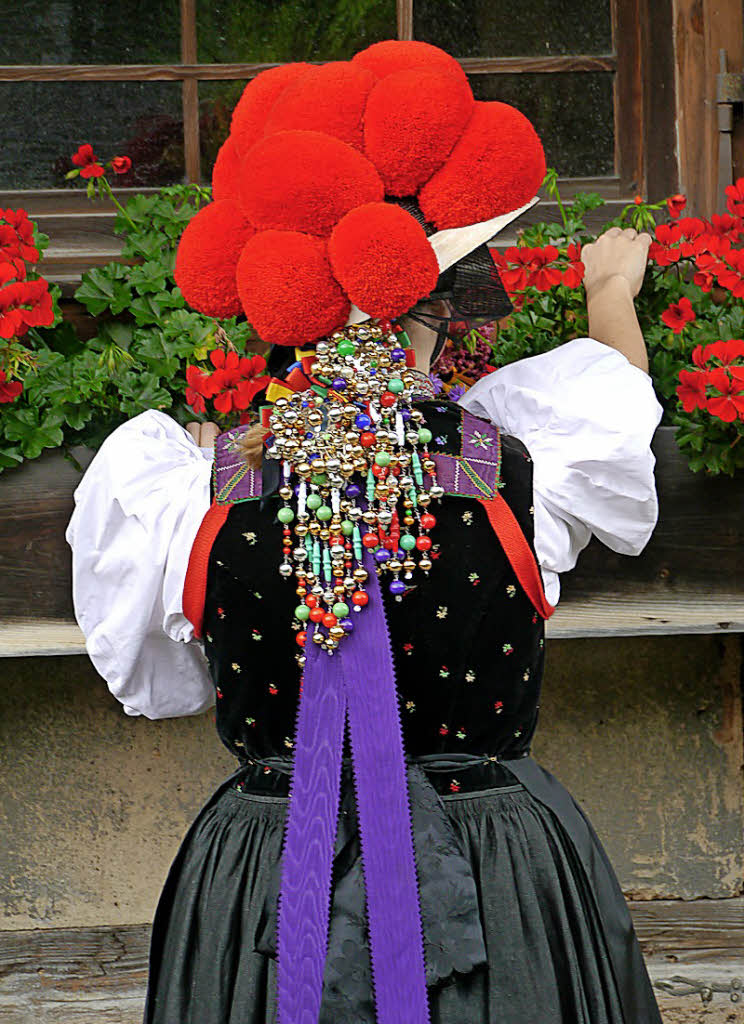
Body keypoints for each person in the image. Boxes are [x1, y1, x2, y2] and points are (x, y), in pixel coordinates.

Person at [66, 41, 664, 1024]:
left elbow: (155, 681)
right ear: (438, 297)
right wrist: (610, 295)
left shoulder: (202, 482)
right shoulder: (508, 462)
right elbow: (616, 405)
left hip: (268, 868)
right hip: (494, 875)